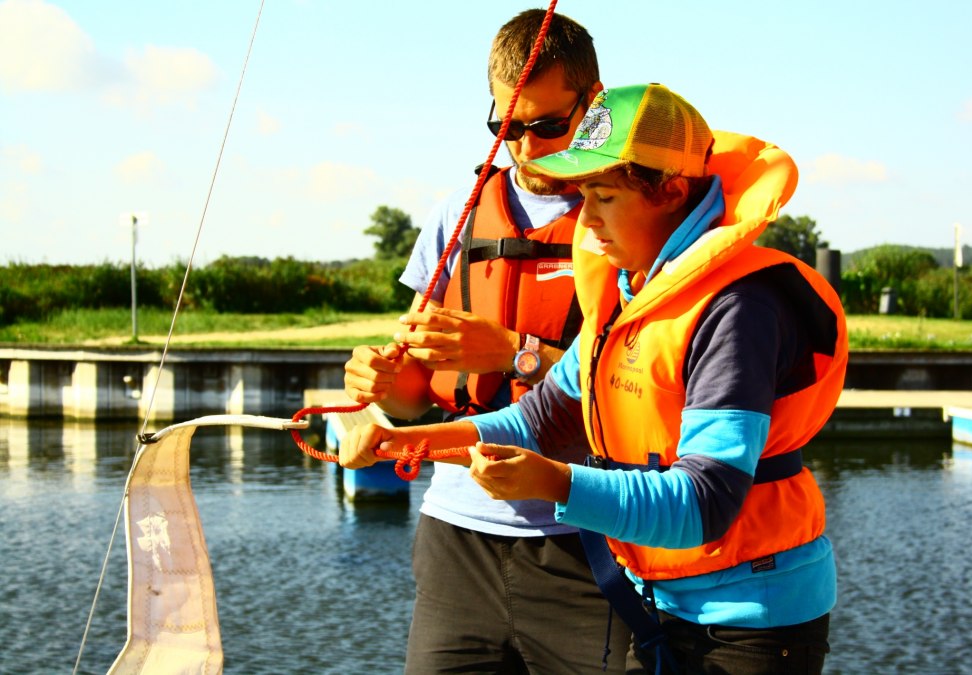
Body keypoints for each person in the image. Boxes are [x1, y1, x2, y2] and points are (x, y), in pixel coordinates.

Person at [342, 83, 849, 674]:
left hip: (753, 623)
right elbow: (539, 419)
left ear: (671, 192)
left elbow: (706, 503)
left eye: (603, 197)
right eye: (583, 197)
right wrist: (409, 442)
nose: (587, 221)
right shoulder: (626, 294)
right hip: (661, 603)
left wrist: (557, 484)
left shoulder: (740, 307)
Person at [342, 9, 628, 674]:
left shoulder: (625, 218)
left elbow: (635, 394)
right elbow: (413, 394)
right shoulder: (456, 215)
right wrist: (380, 391)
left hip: (584, 543)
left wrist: (513, 352)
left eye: (548, 126)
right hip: (456, 542)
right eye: (506, 127)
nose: (523, 147)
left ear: (593, 102)